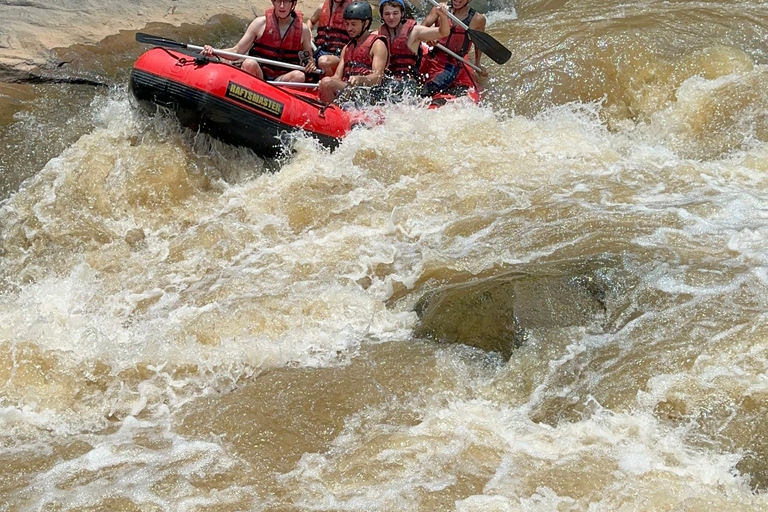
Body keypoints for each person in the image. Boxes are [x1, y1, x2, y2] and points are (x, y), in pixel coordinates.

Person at [200, 0, 317, 82]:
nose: (282, 6)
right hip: (259, 75)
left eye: (286, 1)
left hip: (282, 80)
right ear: (273, 2)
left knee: (299, 76)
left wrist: (310, 64)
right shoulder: (260, 23)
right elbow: (237, 51)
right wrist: (214, 51)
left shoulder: (303, 30)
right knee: (249, 63)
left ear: (293, 3)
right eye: (278, 1)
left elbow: (308, 59)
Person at [318, 1, 389, 104]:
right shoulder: (347, 47)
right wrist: (324, 83)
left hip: (367, 93)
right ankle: (333, 112)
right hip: (349, 91)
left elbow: (377, 78)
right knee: (326, 82)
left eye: (353, 24)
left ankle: (332, 111)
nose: (349, 28)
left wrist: (360, 79)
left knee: (327, 83)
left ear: (366, 23)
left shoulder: (377, 44)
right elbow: (337, 77)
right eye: (347, 24)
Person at [420, 0, 486, 96]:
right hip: (433, 54)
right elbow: (421, 28)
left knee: (430, 90)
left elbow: (479, 43)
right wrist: (429, 36)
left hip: (452, 63)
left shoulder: (478, 19)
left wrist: (477, 63)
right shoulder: (438, 8)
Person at [377, 0, 449, 86]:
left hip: (407, 84)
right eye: (387, 14)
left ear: (402, 13)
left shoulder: (414, 31)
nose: (391, 17)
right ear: (382, 16)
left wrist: (443, 17)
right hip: (386, 83)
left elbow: (443, 33)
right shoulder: (378, 34)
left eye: (395, 13)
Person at [307, 0, 355, 76]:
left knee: (323, 62)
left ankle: (329, 83)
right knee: (304, 57)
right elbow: (311, 21)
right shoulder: (322, 8)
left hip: (339, 56)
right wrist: (309, 35)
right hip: (319, 50)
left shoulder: (352, 10)